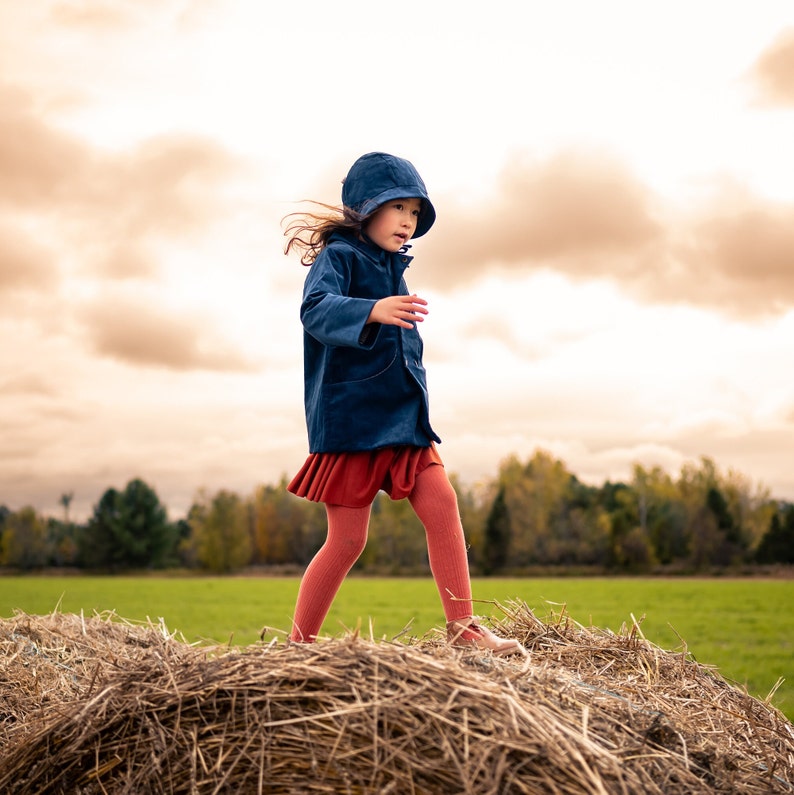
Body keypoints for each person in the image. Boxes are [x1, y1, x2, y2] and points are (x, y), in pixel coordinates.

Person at [283, 152, 524, 655]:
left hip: (402, 419)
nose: (408, 221)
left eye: (415, 212)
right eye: (399, 208)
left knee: (442, 505)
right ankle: (297, 650)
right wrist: (371, 308)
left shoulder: (395, 268)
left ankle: (464, 630)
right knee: (347, 541)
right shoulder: (340, 257)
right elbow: (315, 310)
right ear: (365, 209)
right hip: (352, 422)